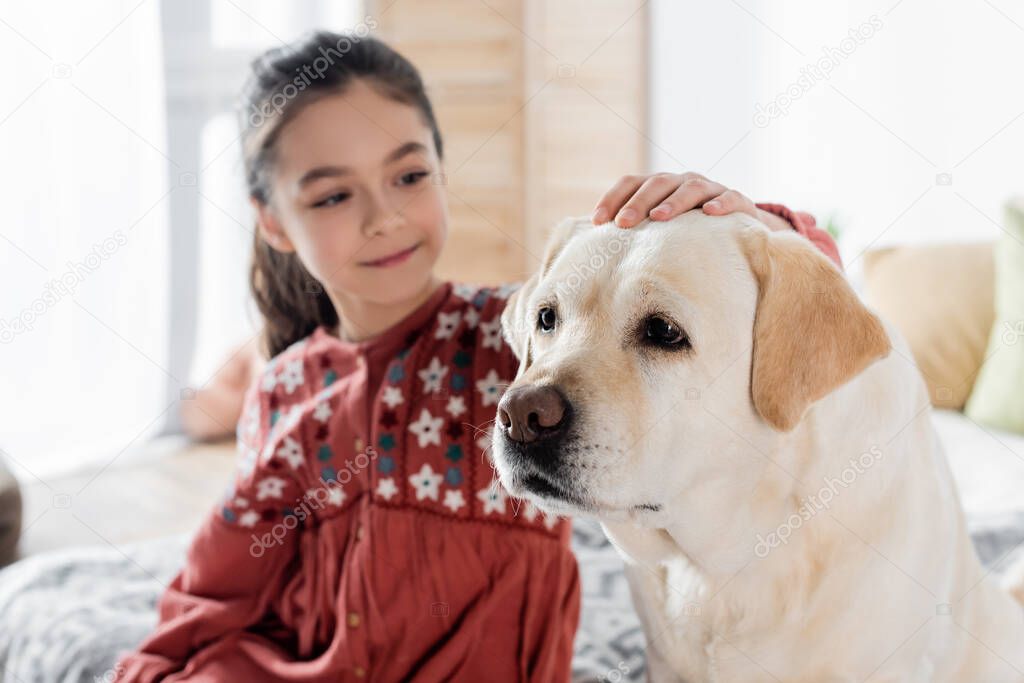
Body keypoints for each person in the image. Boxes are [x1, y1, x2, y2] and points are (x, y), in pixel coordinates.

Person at [117, 31, 840, 682]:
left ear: (440, 166)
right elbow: (220, 580)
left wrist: (751, 223)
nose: (384, 217)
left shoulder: (521, 339)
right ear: (274, 222)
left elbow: (800, 311)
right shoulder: (287, 389)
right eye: (335, 195)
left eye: (408, 176)